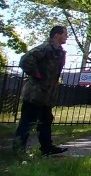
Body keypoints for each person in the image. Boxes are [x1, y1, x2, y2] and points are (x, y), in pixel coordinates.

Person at [13, 26, 69, 156]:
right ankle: (18, 150)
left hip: (46, 95)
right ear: (56, 35)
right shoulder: (46, 48)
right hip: (35, 93)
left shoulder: (58, 51)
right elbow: (25, 60)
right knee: (28, 122)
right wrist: (36, 74)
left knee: (46, 121)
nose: (67, 36)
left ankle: (47, 148)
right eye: (65, 34)